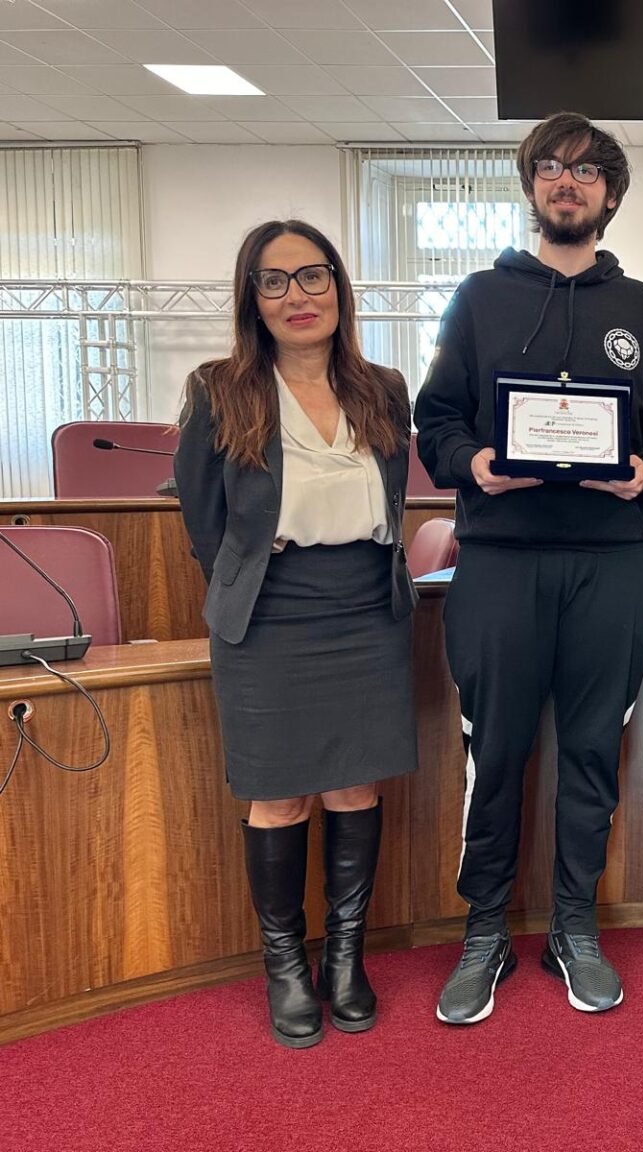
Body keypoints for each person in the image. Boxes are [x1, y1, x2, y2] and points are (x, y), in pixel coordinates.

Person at [415, 111, 643, 1022]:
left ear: (610, 194)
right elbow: (435, 422)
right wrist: (475, 463)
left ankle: (575, 925)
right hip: (500, 560)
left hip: (613, 563)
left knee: (593, 751)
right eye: (552, 168)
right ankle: (484, 931)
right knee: (494, 752)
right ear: (532, 187)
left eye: (587, 170)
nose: (568, 182)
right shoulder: (477, 299)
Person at [175, 220, 417, 1049]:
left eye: (312, 276)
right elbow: (205, 523)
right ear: (252, 298)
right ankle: (285, 965)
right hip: (271, 617)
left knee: (355, 787)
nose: (297, 296)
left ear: (338, 288)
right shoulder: (220, 389)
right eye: (273, 281)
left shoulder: (383, 389)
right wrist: (250, 584)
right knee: (278, 793)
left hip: (366, 608)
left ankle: (345, 959)